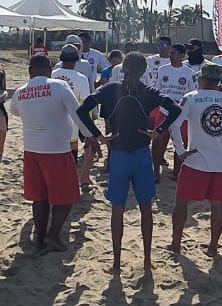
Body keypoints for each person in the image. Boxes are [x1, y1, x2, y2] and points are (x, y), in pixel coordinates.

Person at [75, 52, 181, 274]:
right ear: (144, 71)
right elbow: (175, 108)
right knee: (146, 210)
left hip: (119, 155)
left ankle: (115, 264)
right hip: (142, 155)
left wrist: (98, 136)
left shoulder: (111, 89)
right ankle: (147, 260)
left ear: (123, 68)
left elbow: (82, 110)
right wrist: (158, 131)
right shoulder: (149, 91)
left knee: (117, 211)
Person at [168, 63, 222, 258]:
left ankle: (176, 244)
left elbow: (175, 125)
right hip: (220, 163)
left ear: (201, 79)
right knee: (217, 205)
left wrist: (180, 150)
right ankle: (212, 247)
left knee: (181, 202)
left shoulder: (191, 98)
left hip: (195, 161)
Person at [15, 54, 84, 252]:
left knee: (40, 198)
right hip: (57, 150)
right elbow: (77, 114)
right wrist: (91, 137)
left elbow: (15, 110)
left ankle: (39, 238)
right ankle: (53, 234)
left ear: (29, 72)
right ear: (50, 70)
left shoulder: (20, 91)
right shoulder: (59, 86)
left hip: (31, 150)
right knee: (66, 197)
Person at [152, 43, 197, 178]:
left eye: (174, 53)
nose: (170, 55)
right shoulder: (162, 69)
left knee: (180, 143)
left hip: (181, 113)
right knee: (158, 141)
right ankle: (155, 172)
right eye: (170, 53)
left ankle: (177, 173)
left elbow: (192, 93)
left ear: (182, 56)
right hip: (164, 111)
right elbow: (157, 89)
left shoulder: (189, 73)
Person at [52, 45, 95, 187]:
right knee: (70, 161)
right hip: (72, 127)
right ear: (77, 60)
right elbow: (85, 104)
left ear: (61, 59)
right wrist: (87, 129)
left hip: (52, 125)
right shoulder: (81, 78)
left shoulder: (52, 74)